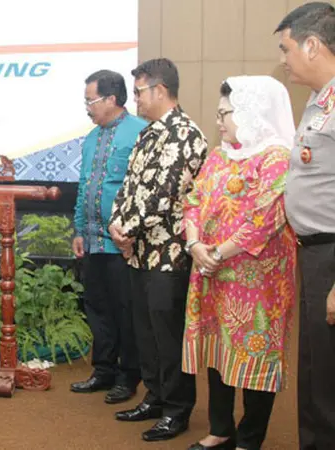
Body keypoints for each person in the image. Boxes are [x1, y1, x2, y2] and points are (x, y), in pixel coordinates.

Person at [182, 76, 297, 450]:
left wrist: (216, 254)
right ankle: (220, 428)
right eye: (218, 114)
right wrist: (196, 243)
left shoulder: (277, 157)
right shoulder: (219, 154)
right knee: (219, 353)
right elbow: (194, 200)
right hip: (212, 274)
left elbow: (264, 220)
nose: (219, 122)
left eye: (226, 113)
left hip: (257, 282)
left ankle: (250, 438)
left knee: (255, 357)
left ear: (252, 112)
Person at [108, 58, 208, 442]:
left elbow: (164, 195)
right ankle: (154, 396)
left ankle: (177, 409)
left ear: (161, 90)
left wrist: (126, 229)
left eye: (138, 92)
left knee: (168, 336)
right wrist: (118, 226)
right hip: (139, 251)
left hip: (170, 254)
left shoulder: (183, 133)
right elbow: (130, 185)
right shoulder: (149, 133)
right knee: (145, 332)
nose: (134, 99)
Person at [275, 3, 335, 449]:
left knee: (329, 378)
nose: (284, 59)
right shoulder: (319, 101)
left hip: (333, 256)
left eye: (288, 48)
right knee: (316, 374)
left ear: (312, 45)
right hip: (314, 253)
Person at [70, 70, 147, 404]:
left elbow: (145, 190)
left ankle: (128, 377)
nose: (87, 107)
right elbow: (84, 186)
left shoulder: (140, 133)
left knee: (125, 310)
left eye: (91, 100)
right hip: (92, 241)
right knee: (97, 308)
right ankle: (103, 370)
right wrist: (78, 229)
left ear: (112, 99)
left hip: (123, 245)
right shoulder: (90, 138)